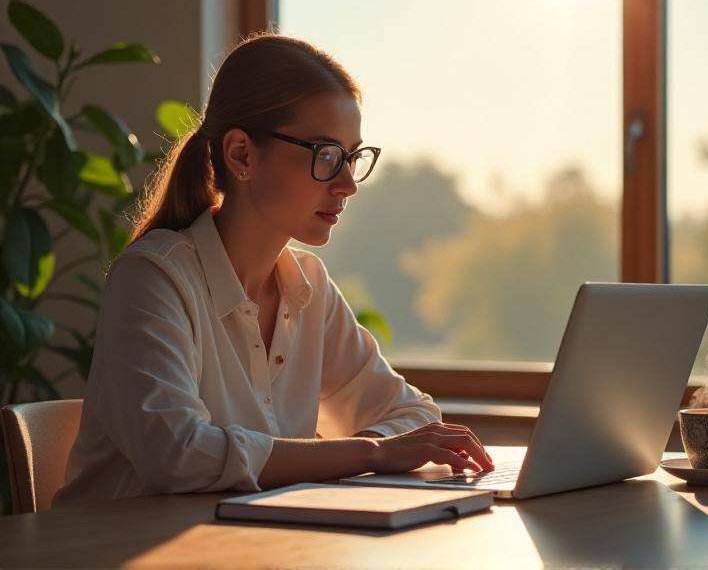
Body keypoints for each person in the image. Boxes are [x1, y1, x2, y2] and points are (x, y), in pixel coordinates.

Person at [53, 33, 493, 506]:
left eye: (351, 157)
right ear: (241, 153)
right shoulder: (153, 277)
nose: (347, 184)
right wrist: (372, 453)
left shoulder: (308, 286)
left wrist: (355, 454)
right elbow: (177, 454)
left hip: (245, 548)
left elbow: (415, 415)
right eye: (326, 155)